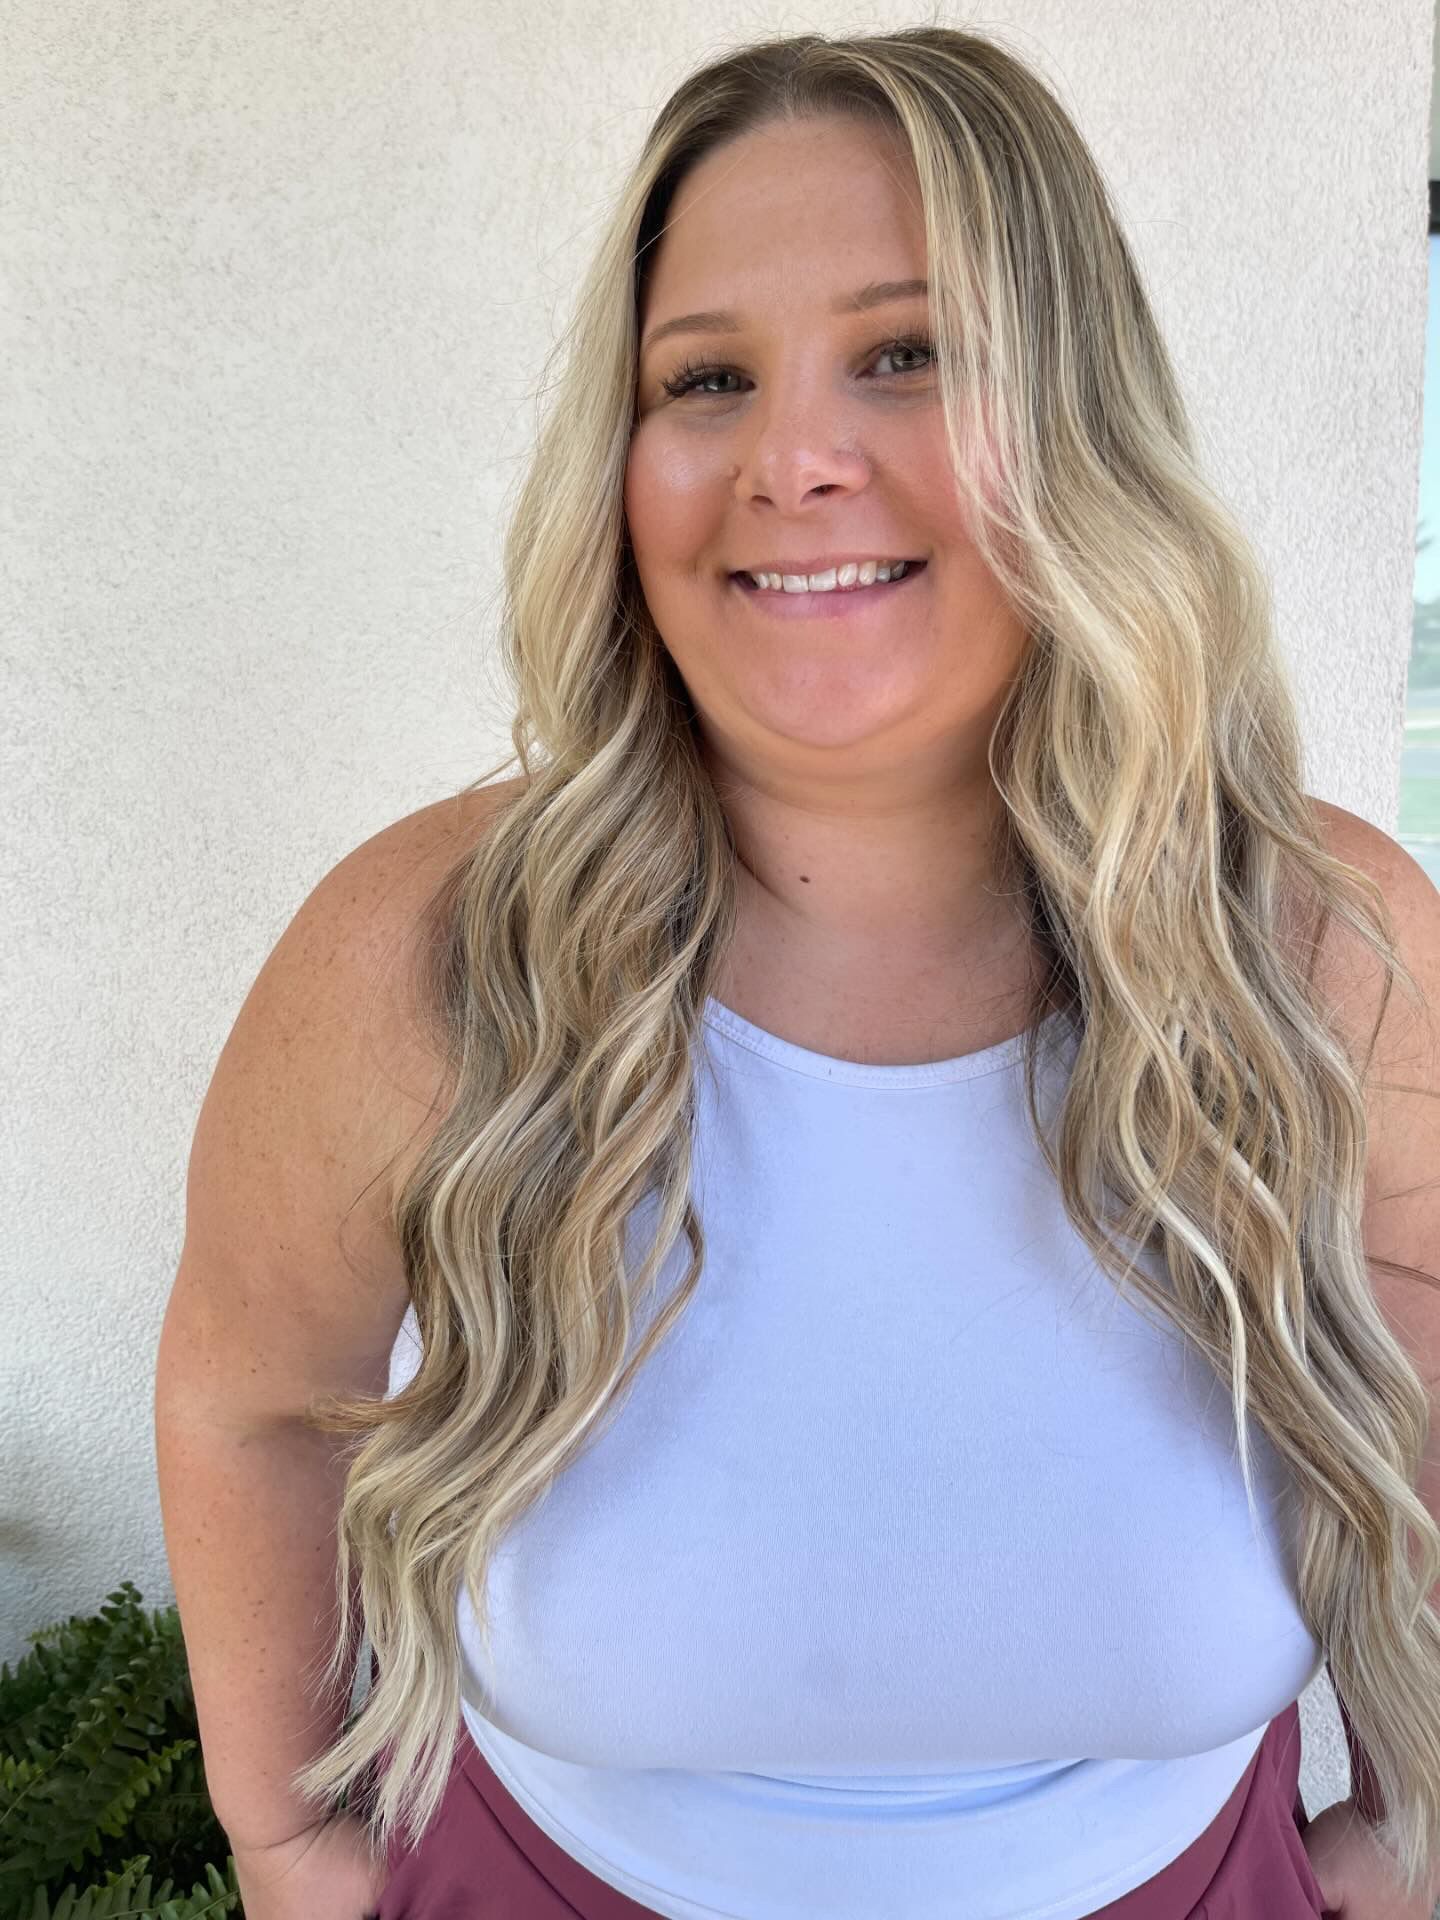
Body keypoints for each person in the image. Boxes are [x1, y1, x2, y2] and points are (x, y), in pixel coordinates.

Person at [154, 23, 1440, 1920]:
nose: (794, 460)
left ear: (1077, 416)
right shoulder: (420, 956)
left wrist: (1418, 1822)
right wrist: (284, 1844)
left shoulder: (1327, 945)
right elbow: (251, 1402)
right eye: (707, 380)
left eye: (905, 356)